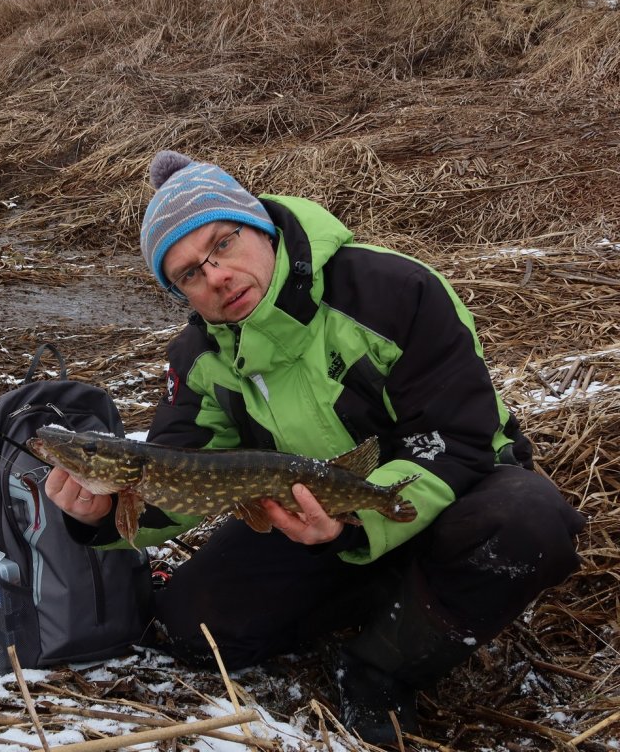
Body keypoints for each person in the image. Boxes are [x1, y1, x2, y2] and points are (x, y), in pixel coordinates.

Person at [45, 150, 585, 746]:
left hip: (449, 488)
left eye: (223, 244)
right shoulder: (199, 358)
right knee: (195, 628)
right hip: (309, 517)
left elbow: (458, 435)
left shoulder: (391, 290)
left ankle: (382, 667)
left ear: (261, 226)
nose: (217, 276)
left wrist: (356, 520)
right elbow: (178, 469)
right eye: (190, 274)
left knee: (528, 521)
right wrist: (98, 514)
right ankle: (388, 592)